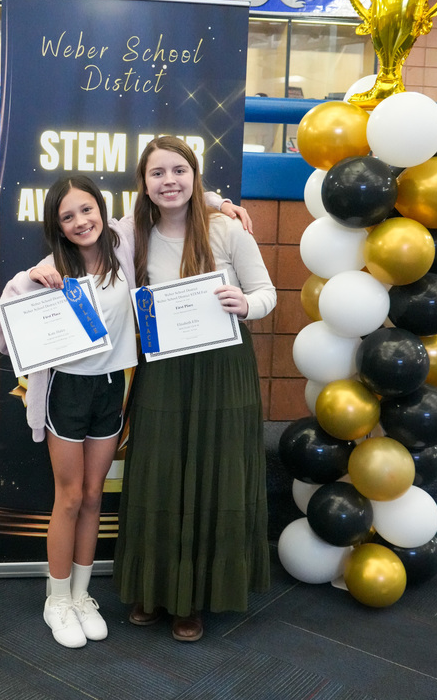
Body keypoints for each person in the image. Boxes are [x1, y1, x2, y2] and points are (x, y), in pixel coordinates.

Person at [0, 173, 251, 649]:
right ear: (56, 225)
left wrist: (220, 202)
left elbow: (167, 198)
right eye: (67, 216)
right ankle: (57, 600)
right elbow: (1, 332)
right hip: (66, 393)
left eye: (86, 210)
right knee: (68, 497)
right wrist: (26, 280)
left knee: (93, 495)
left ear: (101, 210)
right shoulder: (51, 269)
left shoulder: (124, 241)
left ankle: (83, 595)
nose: (80, 221)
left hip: (114, 389)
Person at [113, 136, 277, 643]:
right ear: (143, 183)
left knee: (213, 475)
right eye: (157, 173)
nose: (169, 182)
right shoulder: (130, 233)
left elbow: (266, 293)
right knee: (159, 474)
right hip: (163, 369)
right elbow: (83, 240)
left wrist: (246, 305)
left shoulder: (227, 231)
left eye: (179, 171)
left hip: (223, 371)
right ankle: (155, 589)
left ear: (194, 176)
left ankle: (196, 599)